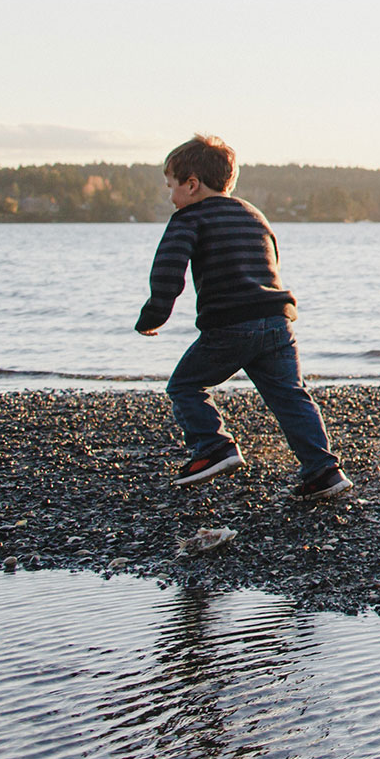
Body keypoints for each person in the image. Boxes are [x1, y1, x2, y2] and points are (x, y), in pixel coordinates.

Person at [136, 134, 353, 499]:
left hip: (231, 325)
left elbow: (168, 271)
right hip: (277, 318)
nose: (170, 195)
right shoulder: (253, 214)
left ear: (192, 185)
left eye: (170, 186)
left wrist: (153, 316)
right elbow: (271, 261)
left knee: (185, 386)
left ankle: (213, 446)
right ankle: (324, 472)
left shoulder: (188, 217)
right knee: (290, 396)